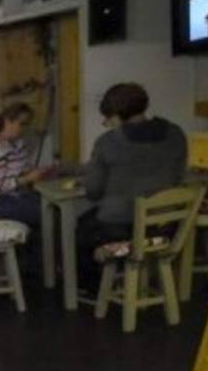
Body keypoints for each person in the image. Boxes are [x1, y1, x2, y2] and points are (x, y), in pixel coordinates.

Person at [76, 83, 188, 283]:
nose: (107, 122)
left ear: (117, 115)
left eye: (108, 117)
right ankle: (139, 279)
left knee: (83, 227)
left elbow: (93, 190)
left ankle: (94, 289)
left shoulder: (108, 142)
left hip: (121, 228)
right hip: (166, 226)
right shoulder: (176, 133)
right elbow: (178, 176)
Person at [0, 101, 50, 228]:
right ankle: (41, 246)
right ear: (7, 121)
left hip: (8, 195)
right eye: (22, 124)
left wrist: (39, 172)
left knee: (49, 203)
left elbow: (20, 170)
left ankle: (40, 244)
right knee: (44, 211)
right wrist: (28, 178)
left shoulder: (16, 144)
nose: (25, 128)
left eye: (27, 124)